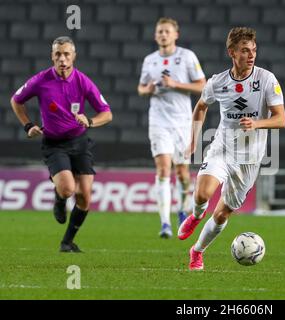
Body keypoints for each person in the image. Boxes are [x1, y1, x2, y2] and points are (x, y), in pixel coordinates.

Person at [178, 27, 285, 270]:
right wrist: (194, 139)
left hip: (249, 160)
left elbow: (281, 119)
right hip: (223, 149)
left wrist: (258, 123)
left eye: (254, 51)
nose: (251, 56)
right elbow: (201, 106)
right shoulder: (218, 82)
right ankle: (195, 216)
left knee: (221, 215)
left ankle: (197, 251)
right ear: (232, 52)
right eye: (245, 51)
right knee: (202, 195)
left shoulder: (266, 79)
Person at [10, 36, 113, 253]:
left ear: (74, 56)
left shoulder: (83, 81)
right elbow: (16, 100)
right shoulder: (41, 80)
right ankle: (59, 198)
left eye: (66, 54)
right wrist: (28, 125)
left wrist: (91, 121)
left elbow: (107, 113)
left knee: (85, 197)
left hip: (80, 141)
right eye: (58, 54)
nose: (62, 59)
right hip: (55, 144)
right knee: (67, 189)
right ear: (52, 56)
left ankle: (67, 242)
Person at [137, 17, 206, 238]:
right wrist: (147, 89)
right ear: (155, 35)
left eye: (167, 31)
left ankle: (183, 206)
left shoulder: (186, 57)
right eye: (159, 31)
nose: (163, 35)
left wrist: (175, 84)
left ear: (176, 34)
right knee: (163, 169)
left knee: (182, 172)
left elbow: (202, 85)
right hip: (158, 121)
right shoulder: (150, 60)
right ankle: (165, 223)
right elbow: (140, 88)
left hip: (182, 122)